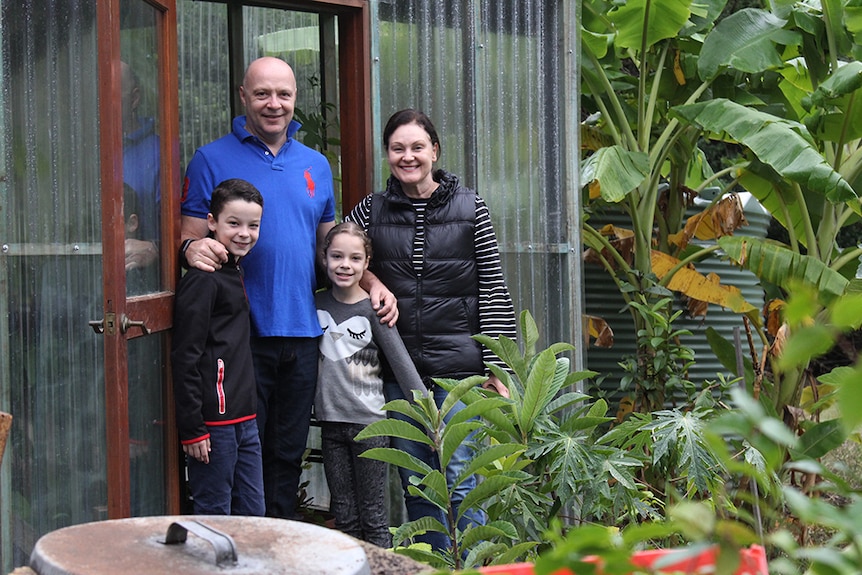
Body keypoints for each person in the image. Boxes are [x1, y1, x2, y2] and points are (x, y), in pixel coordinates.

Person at [181, 56, 397, 519]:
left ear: (295, 98)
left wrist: (373, 281)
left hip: (303, 331)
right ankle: (239, 549)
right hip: (239, 338)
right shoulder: (210, 159)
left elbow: (332, 250)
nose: (274, 104)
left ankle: (279, 544)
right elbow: (189, 235)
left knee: (287, 451)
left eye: (284, 94)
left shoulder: (316, 165)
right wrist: (187, 250)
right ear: (243, 97)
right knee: (241, 454)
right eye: (262, 93)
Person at [345, 108, 518, 550]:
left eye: (417, 147)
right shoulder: (372, 209)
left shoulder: (469, 207)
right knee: (419, 484)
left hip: (460, 373)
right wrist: (374, 281)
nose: (408, 157)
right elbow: (339, 255)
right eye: (398, 148)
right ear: (387, 154)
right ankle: (434, 564)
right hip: (400, 373)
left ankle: (469, 563)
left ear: (435, 150)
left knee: (461, 480)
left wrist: (499, 367)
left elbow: (493, 287)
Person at [314, 222, 427, 547]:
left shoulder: (373, 310)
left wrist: (426, 415)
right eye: (337, 256)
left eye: (354, 258)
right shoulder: (317, 305)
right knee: (345, 515)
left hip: (371, 427)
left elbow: (402, 365)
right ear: (325, 259)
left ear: (366, 265)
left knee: (374, 517)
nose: (344, 265)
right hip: (331, 425)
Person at [171, 178, 266, 516]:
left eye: (253, 225)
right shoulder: (203, 277)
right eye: (233, 223)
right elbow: (186, 355)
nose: (244, 233)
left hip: (246, 418)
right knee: (215, 514)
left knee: (253, 513)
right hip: (214, 424)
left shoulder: (233, 271)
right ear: (211, 222)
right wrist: (193, 428)